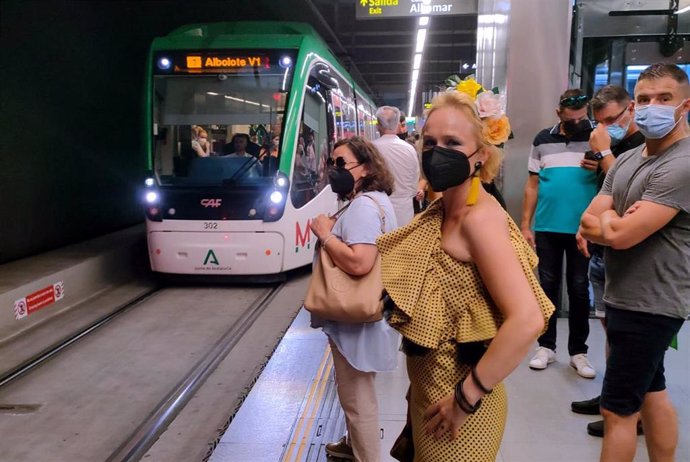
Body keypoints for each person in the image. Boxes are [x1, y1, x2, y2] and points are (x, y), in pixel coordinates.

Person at [377, 90, 554, 461]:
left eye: (453, 143)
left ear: (481, 156)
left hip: (460, 410)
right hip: (429, 394)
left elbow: (527, 320)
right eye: (430, 142)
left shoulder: (479, 220)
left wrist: (465, 398)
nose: (436, 153)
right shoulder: (444, 208)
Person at [579, 62, 690, 462]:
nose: (650, 107)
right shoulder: (628, 160)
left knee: (618, 410)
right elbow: (589, 221)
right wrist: (611, 223)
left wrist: (611, 224)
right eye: (643, 99)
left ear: (685, 105)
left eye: (664, 99)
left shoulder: (682, 163)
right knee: (651, 389)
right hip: (625, 294)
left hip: (653, 300)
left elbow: (620, 236)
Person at [309, 136, 400, 462]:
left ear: (367, 168)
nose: (335, 171)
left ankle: (366, 457)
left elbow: (360, 262)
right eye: (332, 163)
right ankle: (351, 445)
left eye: (342, 163)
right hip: (363, 316)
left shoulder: (362, 207)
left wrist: (325, 235)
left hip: (355, 319)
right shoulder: (373, 200)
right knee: (354, 390)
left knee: (357, 397)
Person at [570, 85, 645, 437]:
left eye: (612, 120)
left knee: (635, 340)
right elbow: (605, 193)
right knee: (609, 328)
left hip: (633, 258)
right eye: (600, 122)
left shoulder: (645, 146)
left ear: (630, 110)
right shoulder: (612, 146)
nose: (606, 128)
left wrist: (602, 153)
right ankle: (612, 395)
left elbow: (628, 191)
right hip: (603, 251)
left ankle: (633, 409)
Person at [520, 88, 599, 378]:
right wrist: (526, 224)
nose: (579, 124)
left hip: (584, 228)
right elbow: (532, 184)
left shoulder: (597, 138)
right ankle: (546, 346)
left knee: (579, 288)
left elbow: (611, 180)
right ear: (559, 114)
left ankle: (579, 351)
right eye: (572, 119)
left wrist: (602, 161)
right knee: (546, 287)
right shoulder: (543, 139)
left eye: (582, 118)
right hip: (547, 226)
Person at [373, 105, 420, 226]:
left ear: (378, 125)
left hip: (377, 210)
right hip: (405, 211)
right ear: (397, 125)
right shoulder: (409, 149)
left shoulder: (371, 149)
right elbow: (414, 184)